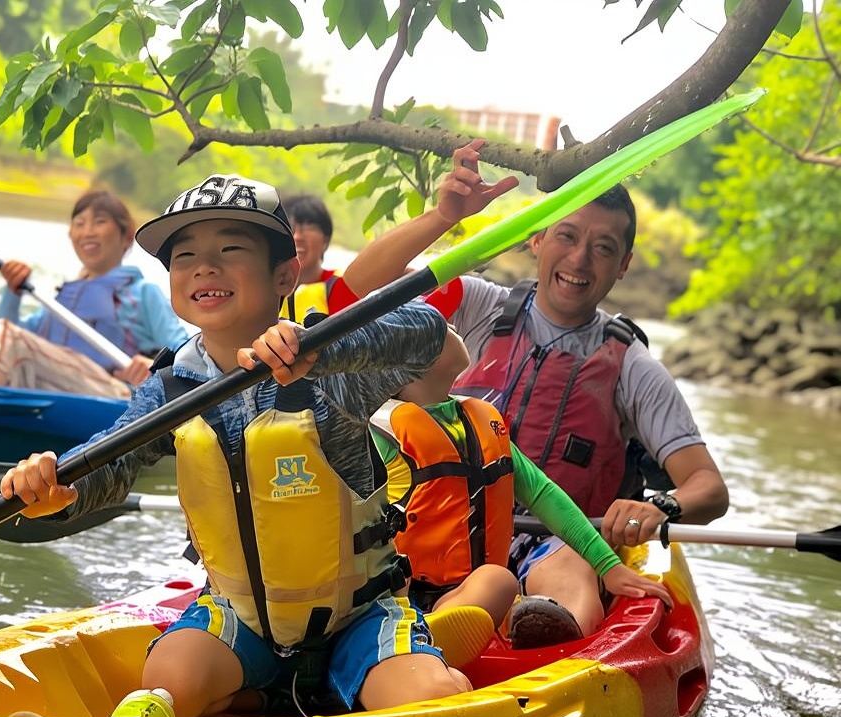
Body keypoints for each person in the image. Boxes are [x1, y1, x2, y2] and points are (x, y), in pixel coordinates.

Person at [1, 172, 493, 717]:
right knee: (167, 681)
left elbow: (427, 332)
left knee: (426, 707)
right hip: (242, 616)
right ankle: (276, 695)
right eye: (184, 257)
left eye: (229, 250)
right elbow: (110, 464)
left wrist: (322, 349)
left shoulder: (331, 361)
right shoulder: (173, 386)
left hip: (358, 615)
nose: (204, 267)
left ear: (285, 274)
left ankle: (421, 666)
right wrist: (57, 484)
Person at [343, 139, 729, 648]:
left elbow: (708, 487)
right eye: (566, 236)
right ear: (537, 239)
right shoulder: (476, 306)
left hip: (557, 538)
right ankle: (435, 630)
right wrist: (441, 218)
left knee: (569, 564)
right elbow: (357, 288)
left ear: (624, 264)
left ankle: (540, 635)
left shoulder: (635, 369)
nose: (580, 259)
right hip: (441, 535)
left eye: (604, 248)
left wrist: (663, 506)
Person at [372, 327, 672, 631]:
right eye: (438, 327)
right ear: (405, 367)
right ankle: (421, 641)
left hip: (468, 595)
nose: (449, 325)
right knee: (498, 581)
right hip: (401, 595)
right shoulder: (379, 436)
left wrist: (608, 566)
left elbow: (544, 495)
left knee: (498, 581)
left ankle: (441, 635)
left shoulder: (477, 423)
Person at [0, 190, 189, 398]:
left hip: (112, 394)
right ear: (71, 235)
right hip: (49, 387)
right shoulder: (57, 302)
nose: (87, 231)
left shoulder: (142, 293)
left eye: (99, 222)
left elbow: (188, 353)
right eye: (79, 223)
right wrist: (12, 293)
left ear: (126, 236)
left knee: (7, 336)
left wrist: (153, 367)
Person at [277, 194, 361, 323]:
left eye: (308, 227)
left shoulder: (344, 285)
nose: (297, 237)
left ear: (325, 240)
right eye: (290, 228)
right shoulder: (267, 293)